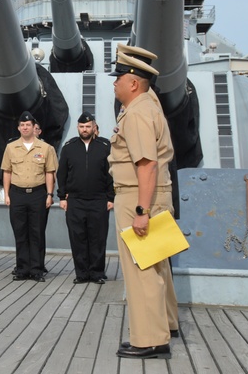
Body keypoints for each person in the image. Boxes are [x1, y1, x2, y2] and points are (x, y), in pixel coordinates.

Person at [109, 44, 178, 360]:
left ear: (133, 83)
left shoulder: (137, 113)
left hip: (137, 195)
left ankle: (150, 339)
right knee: (158, 263)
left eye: (119, 77)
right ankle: (164, 325)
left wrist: (141, 211)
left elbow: (146, 164)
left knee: (142, 267)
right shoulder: (150, 105)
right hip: (153, 193)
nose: (115, 82)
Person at [57, 111, 114, 284]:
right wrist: (62, 197)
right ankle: (81, 273)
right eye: (81, 126)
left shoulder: (105, 147)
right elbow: (62, 174)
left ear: (94, 127)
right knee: (78, 237)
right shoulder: (69, 147)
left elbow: (111, 174)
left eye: (88, 126)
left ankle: (97, 273)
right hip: (75, 200)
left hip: (99, 200)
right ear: (77, 127)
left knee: (98, 237)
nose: (84, 129)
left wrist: (111, 197)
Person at [2, 111, 57, 282]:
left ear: (34, 128)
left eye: (28, 125)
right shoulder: (11, 147)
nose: (25, 127)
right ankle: (22, 269)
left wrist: (49, 194)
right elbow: (7, 172)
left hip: (38, 194)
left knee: (37, 232)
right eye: (22, 125)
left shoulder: (46, 148)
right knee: (20, 232)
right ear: (18, 128)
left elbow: (50, 172)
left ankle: (37, 270)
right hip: (17, 194)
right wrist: (6, 194)